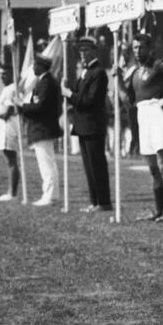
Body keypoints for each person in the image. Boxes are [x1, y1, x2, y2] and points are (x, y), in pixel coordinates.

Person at [129, 32, 163, 223]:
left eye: (141, 47)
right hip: (143, 115)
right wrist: (118, 79)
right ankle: (159, 210)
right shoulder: (135, 73)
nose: (137, 51)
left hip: (159, 113)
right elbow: (126, 99)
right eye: (135, 47)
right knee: (153, 168)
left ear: (149, 49)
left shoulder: (159, 65)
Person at [64, 34, 112, 214]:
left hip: (93, 124)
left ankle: (104, 201)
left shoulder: (98, 73)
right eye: (81, 50)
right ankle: (95, 201)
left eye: (86, 50)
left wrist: (69, 94)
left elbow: (89, 100)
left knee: (97, 165)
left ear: (94, 51)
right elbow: (78, 96)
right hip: (83, 124)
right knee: (89, 166)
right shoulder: (85, 72)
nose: (82, 54)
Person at [19, 46, 62, 206]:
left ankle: (49, 195)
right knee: (48, 162)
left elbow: (40, 107)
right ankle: (52, 194)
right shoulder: (45, 82)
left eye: (35, 65)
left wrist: (22, 107)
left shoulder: (46, 83)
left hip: (43, 127)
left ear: (41, 66)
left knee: (46, 164)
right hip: (43, 127)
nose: (33, 68)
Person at [0, 66, 21, 201]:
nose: (2, 77)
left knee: (11, 160)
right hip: (3, 127)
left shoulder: (12, 89)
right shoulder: (6, 89)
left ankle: (12, 192)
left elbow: (6, 113)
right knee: (9, 160)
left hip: (9, 127)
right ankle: (10, 191)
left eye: (5, 74)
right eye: (1, 74)